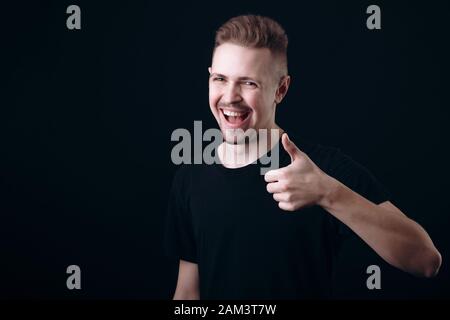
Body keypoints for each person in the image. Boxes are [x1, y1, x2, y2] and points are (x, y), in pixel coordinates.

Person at [164, 14, 442, 299]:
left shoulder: (321, 171)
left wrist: (327, 193)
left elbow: (425, 260)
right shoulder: (189, 179)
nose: (230, 96)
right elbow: (187, 294)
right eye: (220, 79)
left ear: (281, 89)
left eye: (249, 83)